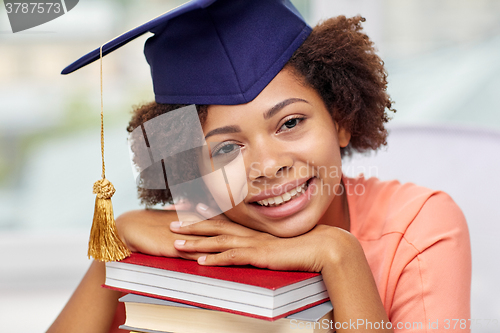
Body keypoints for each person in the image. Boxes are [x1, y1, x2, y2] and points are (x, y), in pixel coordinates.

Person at [49, 1, 471, 332]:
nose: (267, 166)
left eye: (290, 122)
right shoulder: (184, 245)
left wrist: (339, 256)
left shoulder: (419, 228)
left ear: (340, 119)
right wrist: (117, 249)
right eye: (226, 149)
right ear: (190, 171)